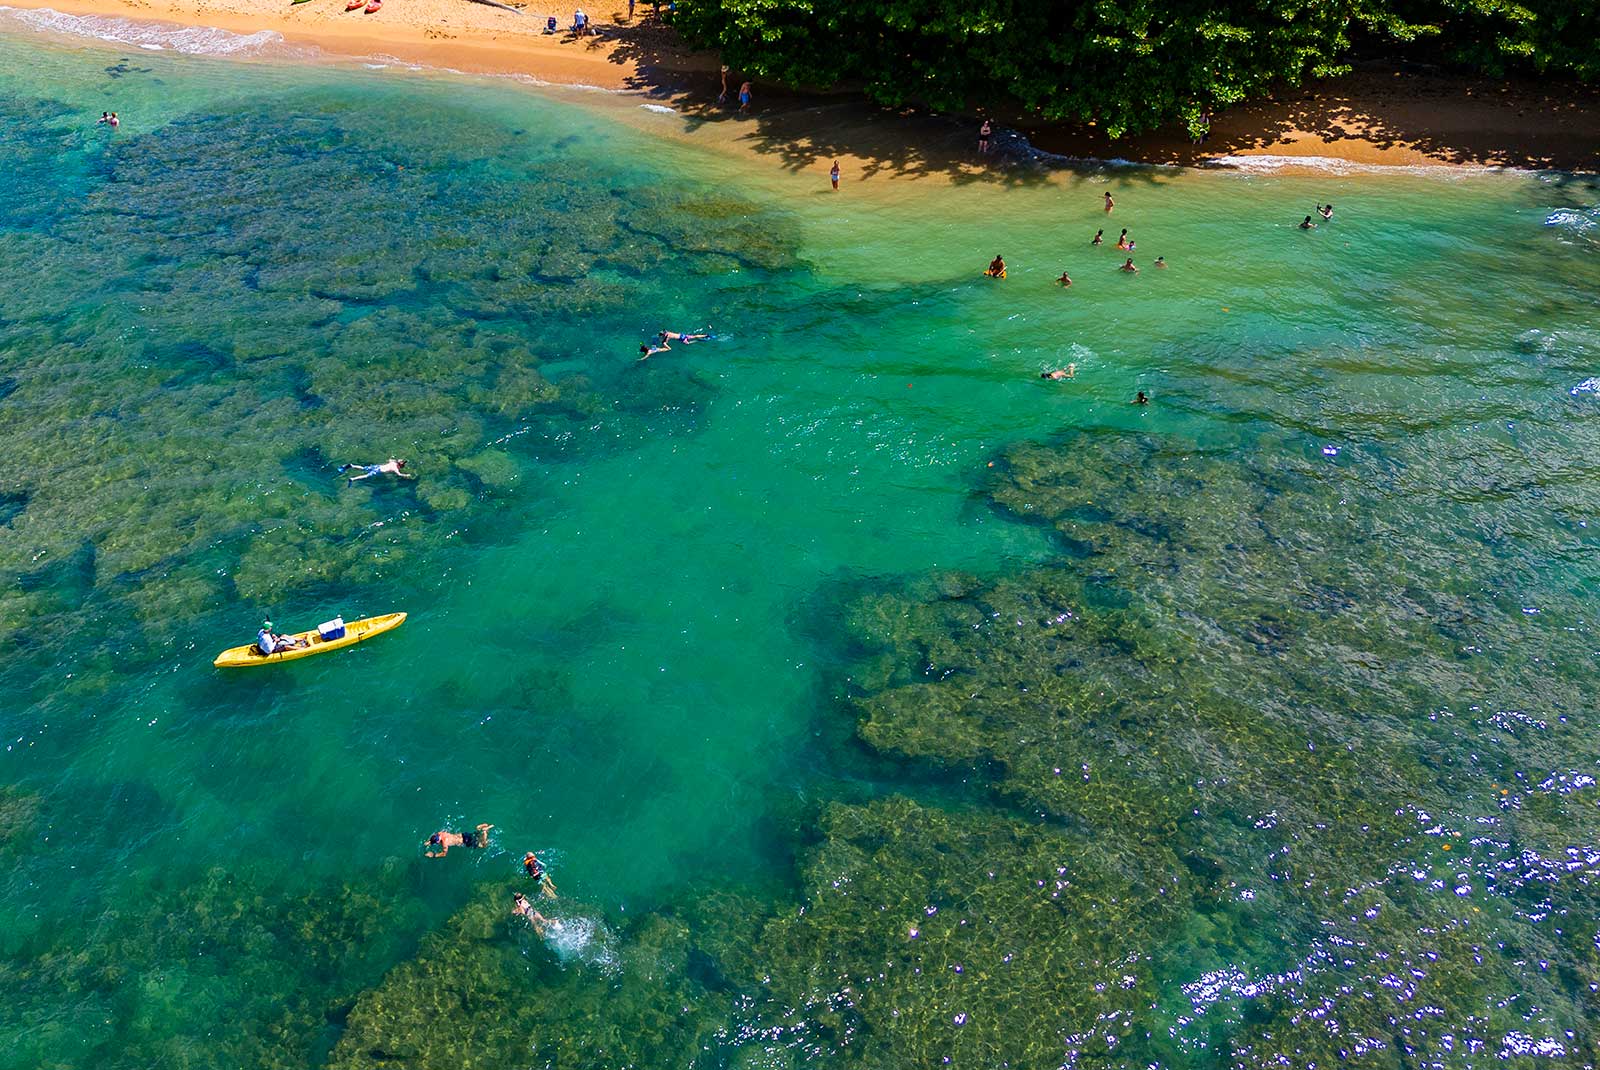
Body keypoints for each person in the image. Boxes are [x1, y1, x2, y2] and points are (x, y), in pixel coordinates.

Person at [426, 823, 493, 857]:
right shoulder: (440, 833)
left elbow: (444, 854)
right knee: (476, 835)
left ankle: (484, 833)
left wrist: (433, 855)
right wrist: (430, 842)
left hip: (465, 841)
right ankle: (480, 829)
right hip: (464, 835)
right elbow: (435, 838)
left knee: (483, 845)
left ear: (438, 841)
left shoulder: (444, 843)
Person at [340, 458, 415, 485]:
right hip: (378, 470)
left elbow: (390, 460)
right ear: (399, 466)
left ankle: (351, 465)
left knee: (363, 468)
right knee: (366, 476)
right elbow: (399, 474)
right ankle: (353, 479)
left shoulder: (393, 463)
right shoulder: (396, 468)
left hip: (377, 466)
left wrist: (392, 459)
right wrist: (406, 475)